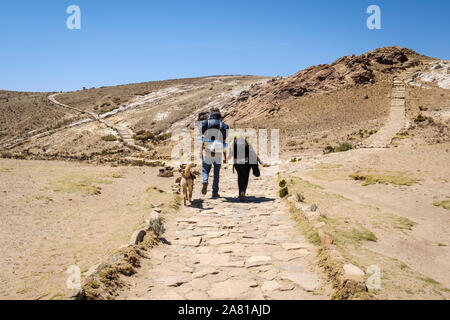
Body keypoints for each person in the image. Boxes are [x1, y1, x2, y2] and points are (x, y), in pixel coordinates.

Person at [200, 108, 229, 198]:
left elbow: (203, 139)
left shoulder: (206, 123)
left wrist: (201, 151)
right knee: (216, 173)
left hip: (207, 150)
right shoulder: (223, 126)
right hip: (218, 151)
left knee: (205, 170)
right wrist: (225, 157)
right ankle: (214, 192)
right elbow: (224, 141)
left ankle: (205, 180)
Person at [232, 135, 264, 201]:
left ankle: (240, 192)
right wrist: (259, 160)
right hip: (246, 162)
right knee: (245, 177)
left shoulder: (233, 143)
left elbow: (231, 154)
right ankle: (243, 190)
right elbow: (253, 153)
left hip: (237, 163)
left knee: (240, 176)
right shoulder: (247, 143)